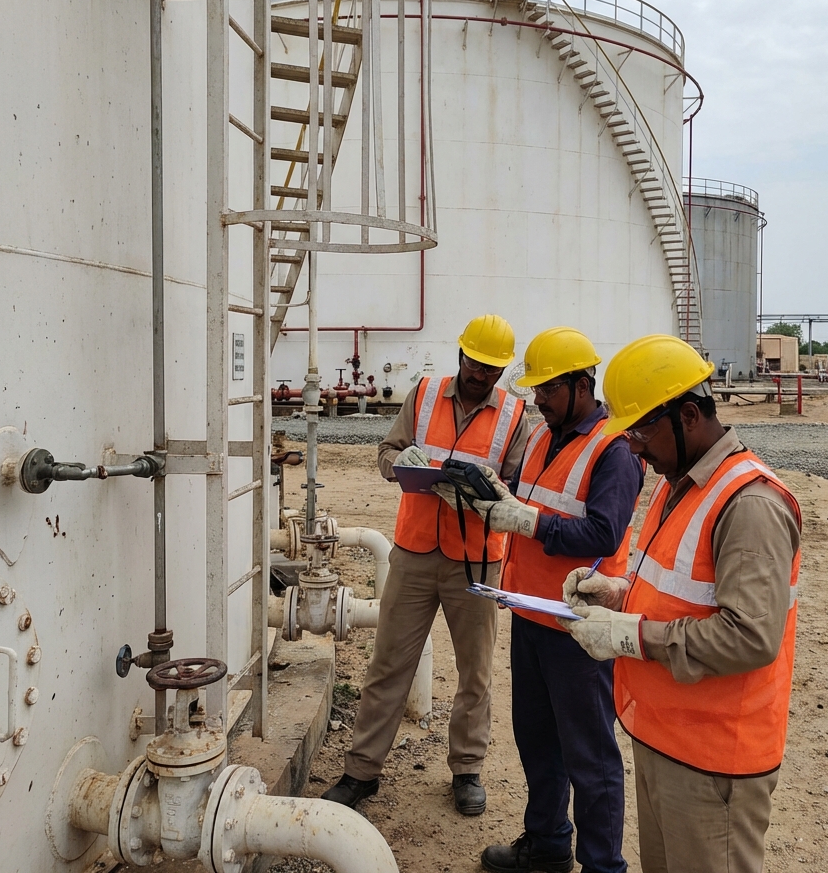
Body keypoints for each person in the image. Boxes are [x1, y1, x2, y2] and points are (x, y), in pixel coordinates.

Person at [561, 334, 801, 873]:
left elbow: (750, 636)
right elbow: (687, 593)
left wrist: (630, 636)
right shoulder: (683, 484)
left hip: (714, 760)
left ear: (688, 415)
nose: (635, 449)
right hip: (667, 738)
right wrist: (619, 594)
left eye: (641, 432)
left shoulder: (750, 505)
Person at [322, 314, 530, 817]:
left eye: (493, 370)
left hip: (477, 561)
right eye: (477, 365)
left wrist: (488, 490)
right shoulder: (424, 394)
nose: (483, 376)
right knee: (389, 663)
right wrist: (402, 465)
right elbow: (386, 450)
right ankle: (361, 771)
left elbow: (519, 485)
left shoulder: (514, 415)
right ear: (461, 356)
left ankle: (467, 768)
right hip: (415, 551)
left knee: (475, 671)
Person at [475, 328, 644, 873]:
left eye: (547, 388)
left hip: (579, 628)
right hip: (531, 615)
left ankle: (601, 866)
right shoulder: (544, 435)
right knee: (538, 743)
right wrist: (500, 501)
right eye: (537, 389)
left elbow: (604, 534)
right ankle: (547, 844)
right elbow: (535, 506)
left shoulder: (614, 451)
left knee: (590, 758)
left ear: (580, 384)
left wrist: (528, 519)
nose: (537, 399)